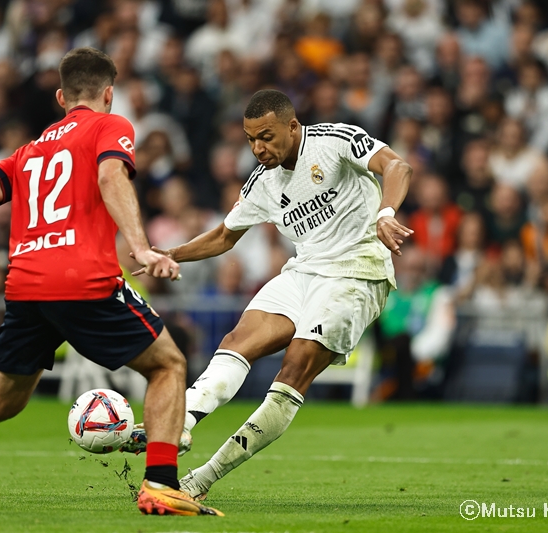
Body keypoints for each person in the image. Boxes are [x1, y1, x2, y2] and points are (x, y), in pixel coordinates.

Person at [0, 47, 222, 518]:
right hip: (82, 280)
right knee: (169, 365)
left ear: (60, 97)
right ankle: (160, 483)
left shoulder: (30, 151)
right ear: (109, 94)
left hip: (27, 286)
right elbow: (112, 174)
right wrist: (140, 247)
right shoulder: (109, 126)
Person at [128, 89, 413, 500]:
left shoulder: (334, 141)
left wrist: (386, 213)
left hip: (356, 274)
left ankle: (202, 479)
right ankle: (181, 424)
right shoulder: (263, 181)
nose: (258, 148)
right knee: (236, 342)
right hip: (303, 271)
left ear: (292, 126)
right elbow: (226, 235)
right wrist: (171, 252)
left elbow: (396, 166)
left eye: (266, 136)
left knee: (292, 371)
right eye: (250, 139)